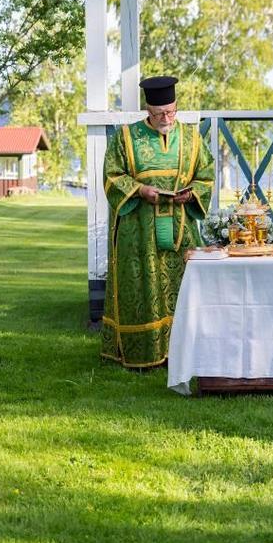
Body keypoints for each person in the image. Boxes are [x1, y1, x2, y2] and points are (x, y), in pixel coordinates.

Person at [101, 76, 215, 367]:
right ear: (147, 111)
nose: (166, 118)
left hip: (181, 228)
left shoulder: (192, 138)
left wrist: (191, 194)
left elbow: (207, 175)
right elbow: (112, 176)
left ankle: (186, 354)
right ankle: (144, 352)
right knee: (143, 287)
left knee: (185, 287)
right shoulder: (126, 137)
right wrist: (140, 190)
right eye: (159, 113)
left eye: (171, 112)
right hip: (139, 229)